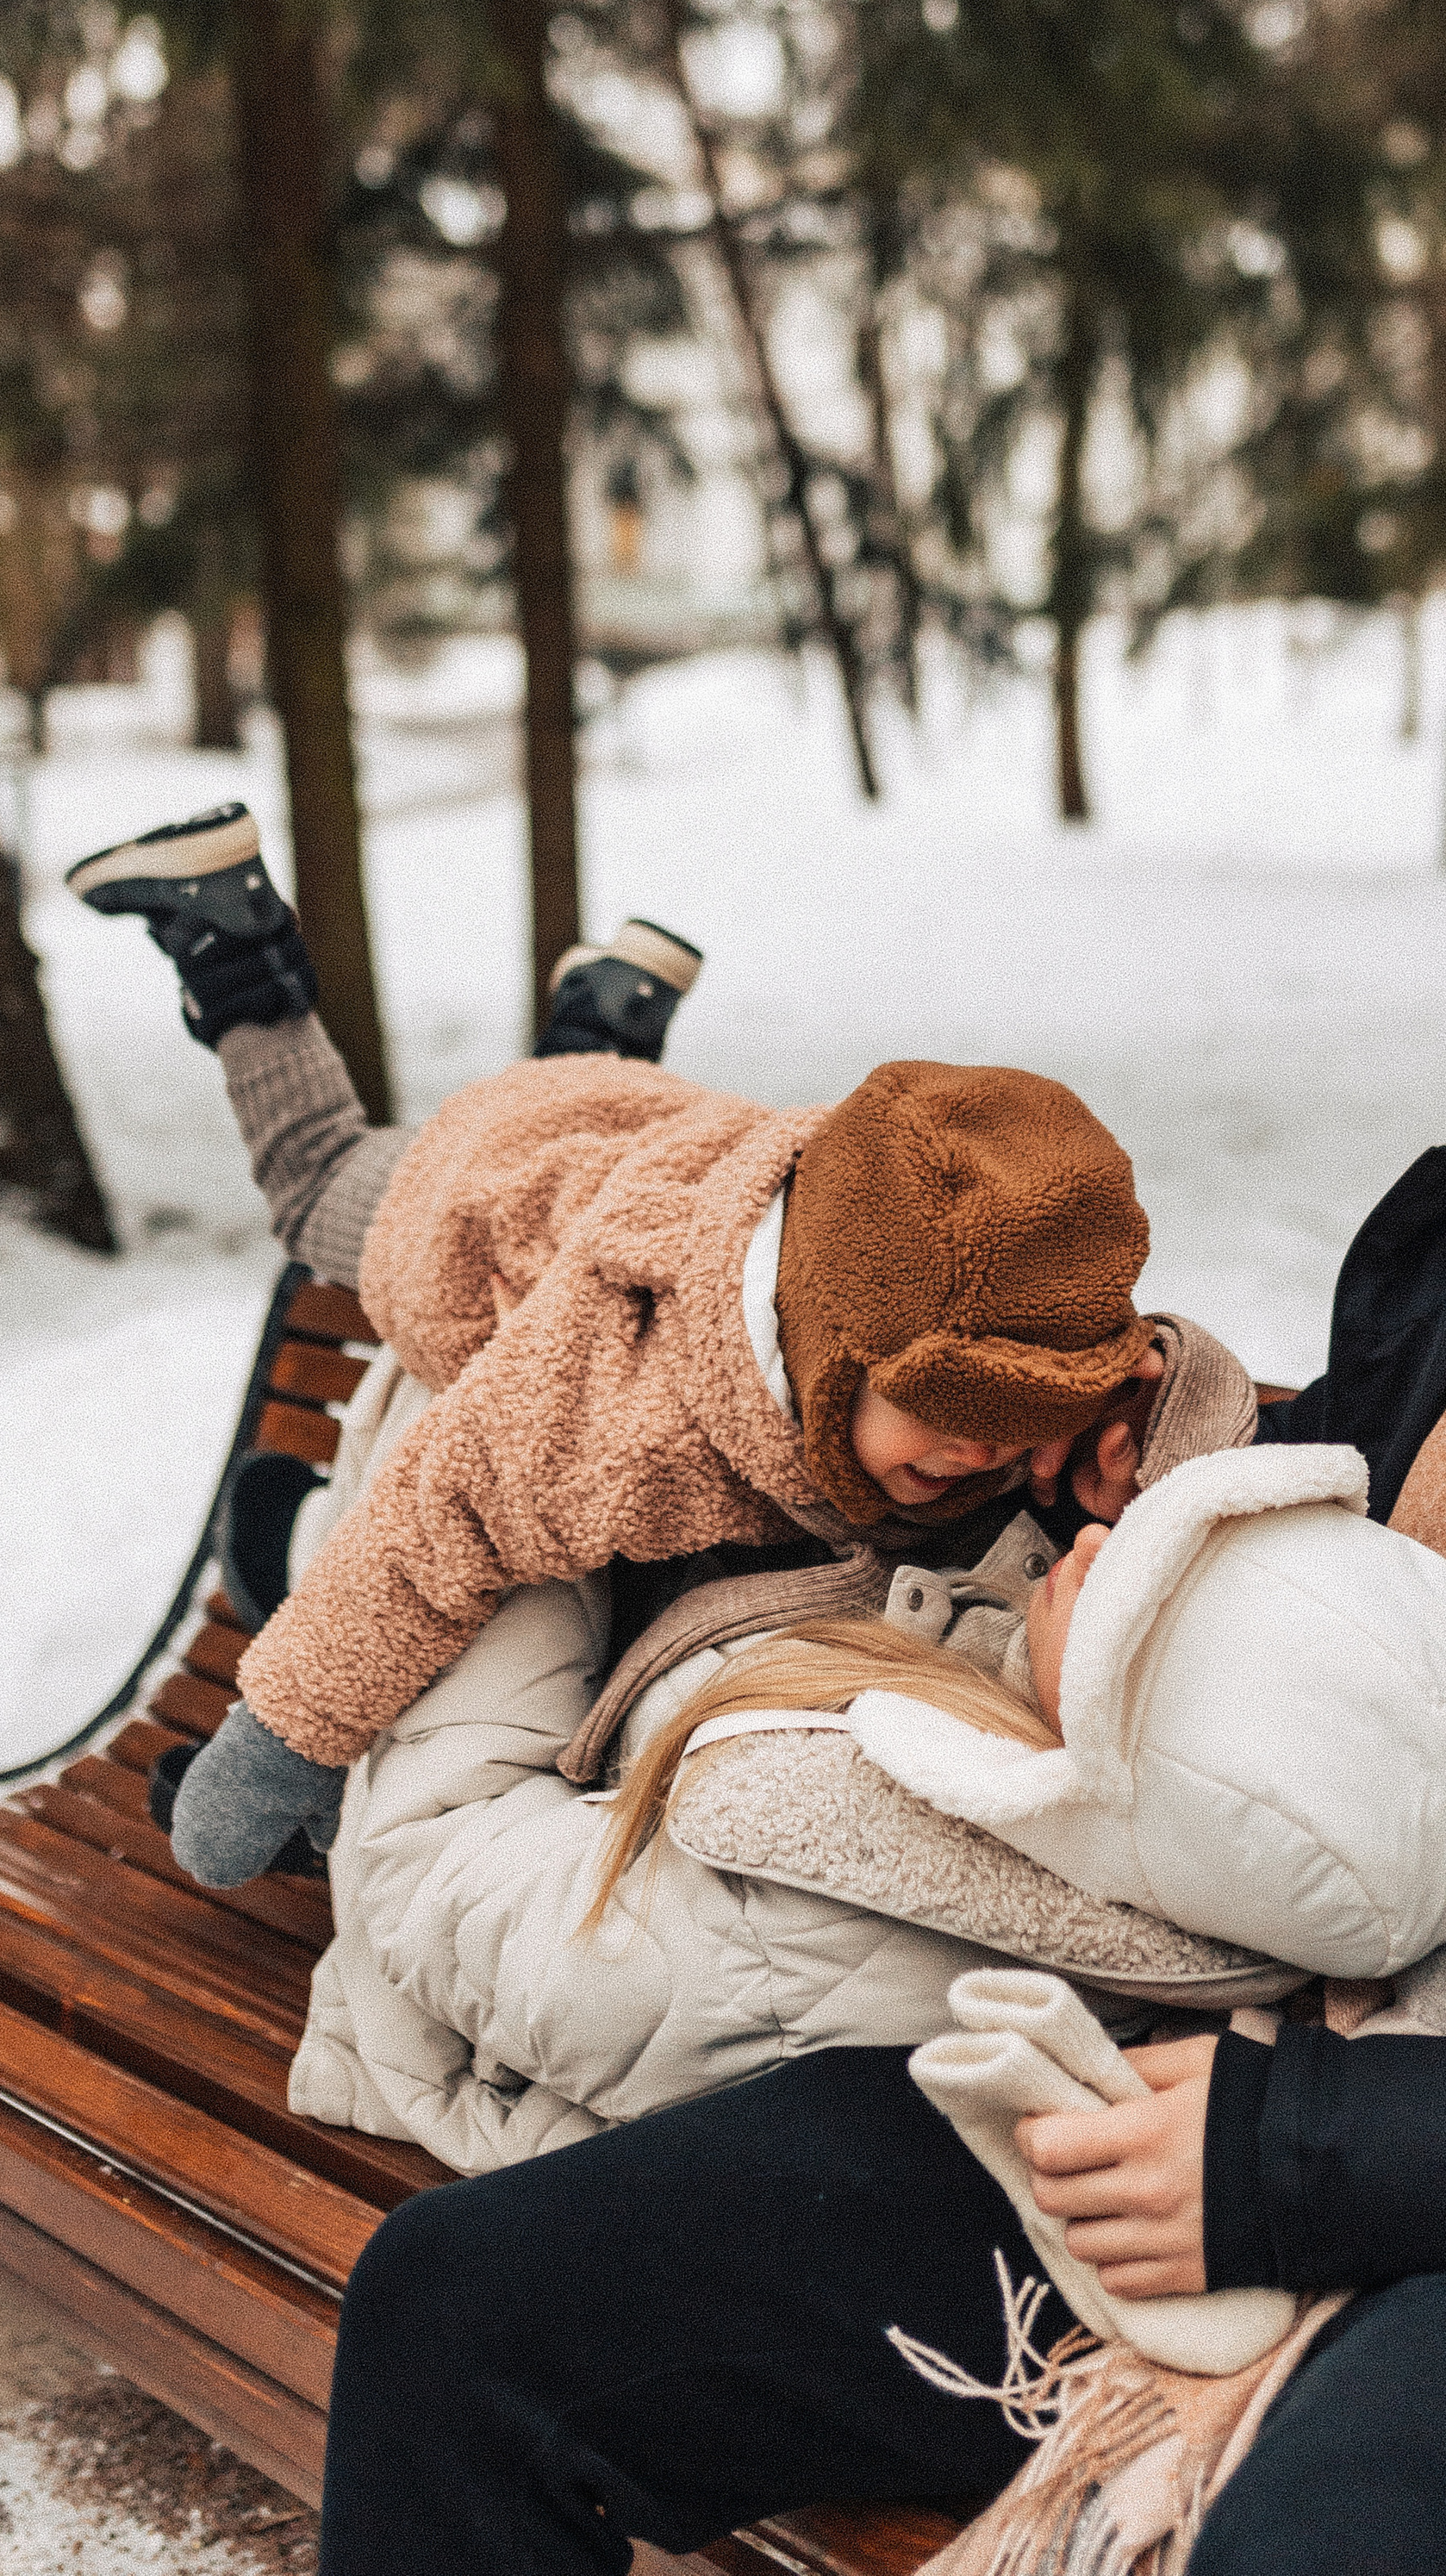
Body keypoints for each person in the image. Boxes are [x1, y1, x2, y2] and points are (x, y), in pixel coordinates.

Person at [315, 843, 1446, 2576]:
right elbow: (1307, 1635)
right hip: (1231, 2059)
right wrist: (1131, 1557)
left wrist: (1310, 2154)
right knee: (471, 2307)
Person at [67, 801, 1176, 1891]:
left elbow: (1109, 1355)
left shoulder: (909, 1242)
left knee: (571, 1102)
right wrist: (273, 1757)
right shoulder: (610, 1415)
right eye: (950, 1414)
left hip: (642, 1128)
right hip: (489, 1183)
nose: (984, 1455)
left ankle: (600, 1020)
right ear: (830, 1353)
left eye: (1019, 1419)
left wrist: (1131, 1408)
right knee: (310, 1175)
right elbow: (423, 1531)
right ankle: (231, 934)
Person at [284, 1345, 1446, 2174]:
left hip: (444, 1868)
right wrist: (1135, 1398)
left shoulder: (790, 1927)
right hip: (636, 1690)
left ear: (1122, 1760)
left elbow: (426, 1863)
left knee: (463, 1416)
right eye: (1163, 1533)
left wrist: (515, 1509)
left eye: (1143, 1615)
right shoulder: (1173, 1850)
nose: (1107, 1549)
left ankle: (299, 1546)